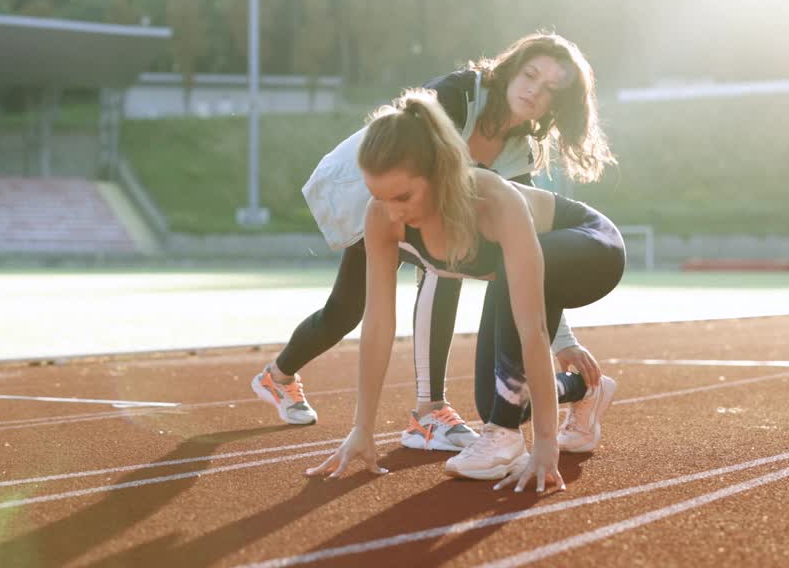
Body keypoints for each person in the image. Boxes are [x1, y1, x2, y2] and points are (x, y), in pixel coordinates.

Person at [251, 32, 608, 451]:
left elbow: (530, 247)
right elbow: (407, 168)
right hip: (380, 199)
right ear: (512, 68)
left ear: (557, 104)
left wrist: (562, 340)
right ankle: (292, 380)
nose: (534, 90)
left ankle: (417, 409)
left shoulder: (519, 151)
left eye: (550, 88)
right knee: (345, 311)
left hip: (430, 220)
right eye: (530, 74)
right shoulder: (458, 97)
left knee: (444, 259)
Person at [306, 89, 625, 491]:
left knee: (505, 399)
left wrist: (545, 447)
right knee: (495, 399)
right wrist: (362, 429)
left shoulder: (491, 200)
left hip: (591, 249)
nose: (393, 212)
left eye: (404, 196)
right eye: (379, 197)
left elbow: (532, 330)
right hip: (523, 272)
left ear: (438, 172)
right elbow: (377, 327)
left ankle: (507, 439)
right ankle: (587, 388)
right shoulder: (383, 217)